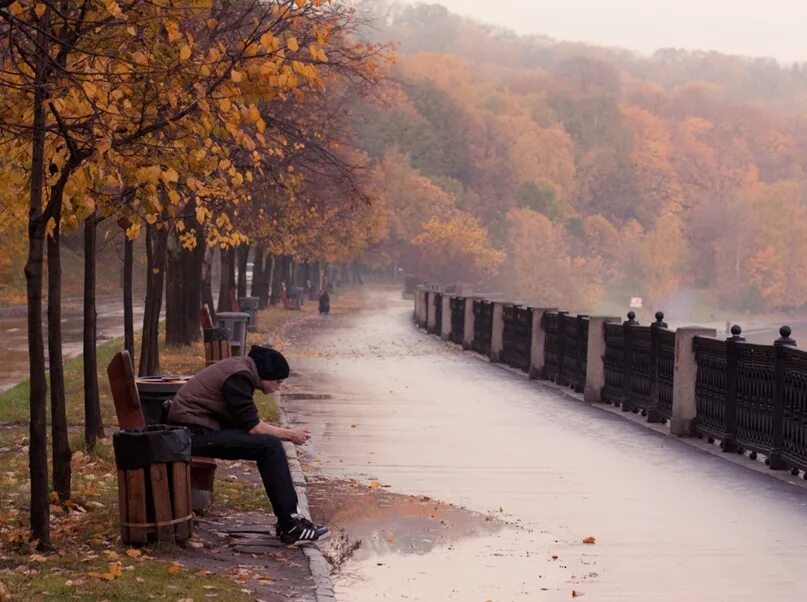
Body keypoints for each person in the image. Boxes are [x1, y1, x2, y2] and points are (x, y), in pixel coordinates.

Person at [167, 345, 329, 545]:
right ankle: (291, 524)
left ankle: (289, 520)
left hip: (194, 431)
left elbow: (245, 420)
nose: (278, 387)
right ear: (266, 375)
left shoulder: (241, 370)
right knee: (269, 446)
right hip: (192, 435)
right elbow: (253, 427)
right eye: (278, 382)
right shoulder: (239, 377)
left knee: (268, 444)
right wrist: (289, 434)